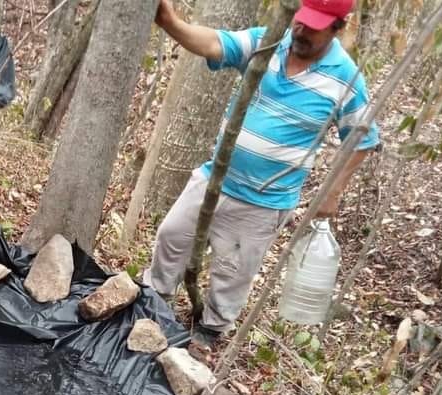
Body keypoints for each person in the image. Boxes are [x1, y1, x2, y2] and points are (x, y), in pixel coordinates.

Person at [145, 0, 380, 357]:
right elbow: (214, 43)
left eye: (314, 26)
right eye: (300, 21)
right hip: (216, 177)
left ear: (338, 27)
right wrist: (169, 22)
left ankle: (209, 329)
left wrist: (333, 192)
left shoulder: (345, 79)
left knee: (233, 271)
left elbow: (363, 139)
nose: (301, 30)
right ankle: (152, 301)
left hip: (263, 202)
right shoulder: (269, 41)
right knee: (172, 235)